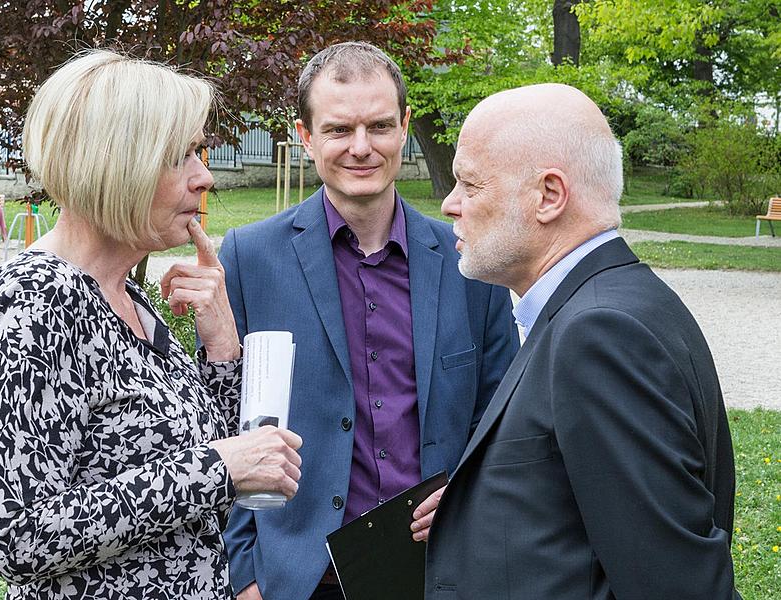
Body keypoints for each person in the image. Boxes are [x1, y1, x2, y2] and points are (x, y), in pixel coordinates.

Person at [0, 50, 303, 600]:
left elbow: (191, 450)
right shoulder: (32, 306)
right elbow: (17, 537)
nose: (204, 177)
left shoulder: (125, 296)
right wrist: (219, 469)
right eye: (180, 157)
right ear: (115, 164)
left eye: (199, 153)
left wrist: (221, 345)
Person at [220, 42, 518, 600]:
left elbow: (503, 414)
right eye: (338, 130)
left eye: (379, 126)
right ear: (306, 137)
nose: (362, 148)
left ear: (404, 127)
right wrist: (245, 574)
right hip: (303, 578)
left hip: (442, 571)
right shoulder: (249, 257)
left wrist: (470, 492)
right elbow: (224, 418)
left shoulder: (470, 261)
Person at [421, 83, 740, 599]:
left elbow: (676, 583)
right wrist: (478, 505)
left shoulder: (600, 333)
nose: (450, 203)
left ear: (549, 196)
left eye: (470, 184)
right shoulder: (610, 302)